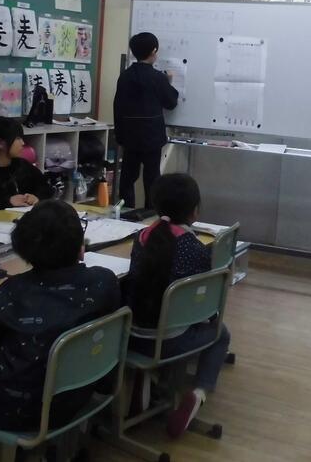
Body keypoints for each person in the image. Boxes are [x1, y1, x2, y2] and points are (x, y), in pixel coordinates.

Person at [0, 200, 122, 430]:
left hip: (17, 411)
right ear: (79, 245)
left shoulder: (12, 291)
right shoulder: (104, 282)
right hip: (81, 394)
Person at [125, 173, 231, 438]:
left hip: (131, 338)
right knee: (220, 333)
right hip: (171, 341)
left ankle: (147, 379)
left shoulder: (141, 238)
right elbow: (204, 303)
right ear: (194, 211)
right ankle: (198, 393)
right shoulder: (194, 248)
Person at [113, 32, 178, 209]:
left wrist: (120, 136)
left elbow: (117, 107)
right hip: (152, 136)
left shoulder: (125, 76)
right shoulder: (158, 77)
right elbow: (171, 103)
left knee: (128, 177)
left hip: (129, 136)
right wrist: (169, 82)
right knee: (152, 177)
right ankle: (151, 212)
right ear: (154, 51)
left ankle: (125, 212)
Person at [0, 117, 53, 215]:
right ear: (1, 143)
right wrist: (8, 202)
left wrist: (36, 198)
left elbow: (46, 188)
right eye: (18, 139)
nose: (23, 143)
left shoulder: (23, 166)